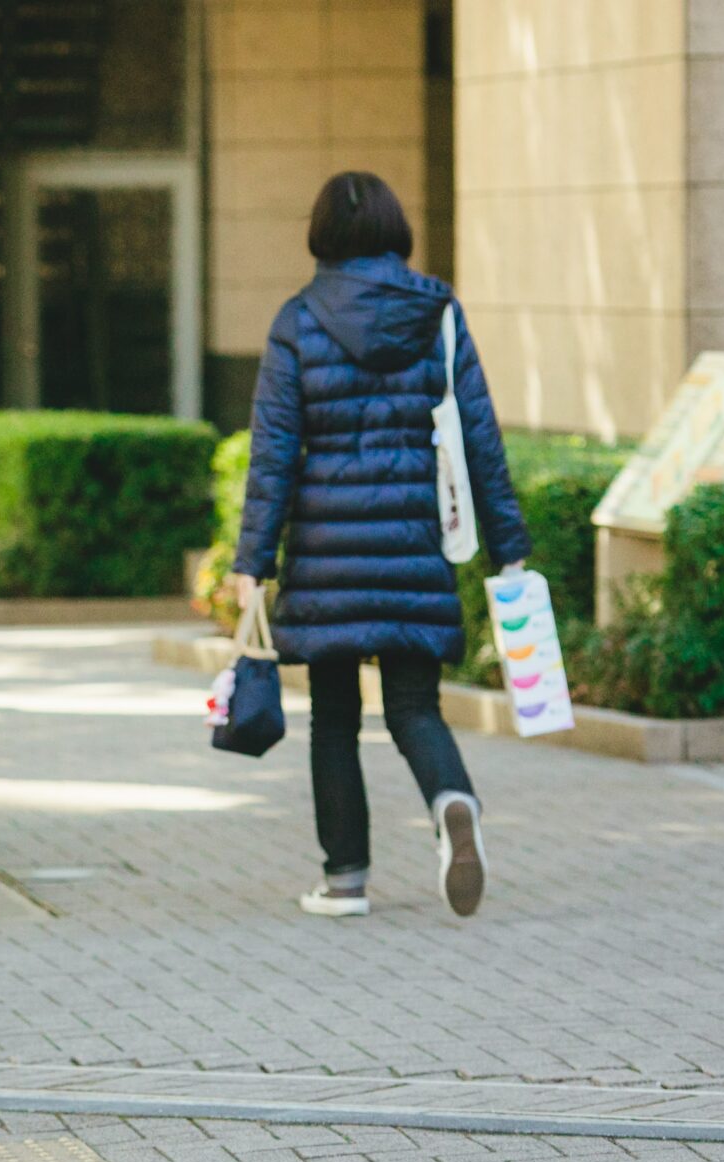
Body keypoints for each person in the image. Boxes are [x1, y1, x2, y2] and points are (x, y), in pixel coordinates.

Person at [229, 171, 531, 920]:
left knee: (334, 719)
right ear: (397, 229)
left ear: (322, 234)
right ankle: (453, 801)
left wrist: (251, 562)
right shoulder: (440, 315)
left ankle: (345, 879)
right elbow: (482, 438)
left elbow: (274, 453)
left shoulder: (298, 321)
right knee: (413, 708)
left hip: (327, 553)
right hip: (413, 543)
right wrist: (509, 546)